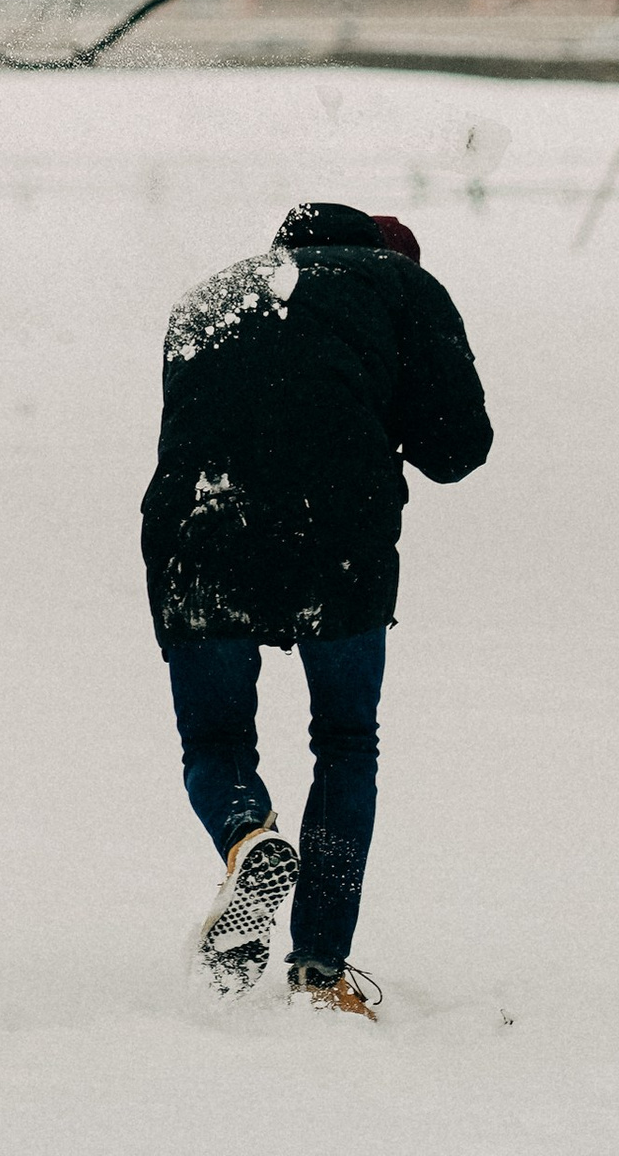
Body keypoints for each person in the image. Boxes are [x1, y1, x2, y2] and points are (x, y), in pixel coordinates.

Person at [142, 200, 490, 1019]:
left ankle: (246, 840)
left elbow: (206, 418)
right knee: (343, 740)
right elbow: (457, 447)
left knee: (216, 739)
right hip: (335, 534)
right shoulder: (402, 285)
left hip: (198, 526)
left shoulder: (207, 295)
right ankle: (319, 970)